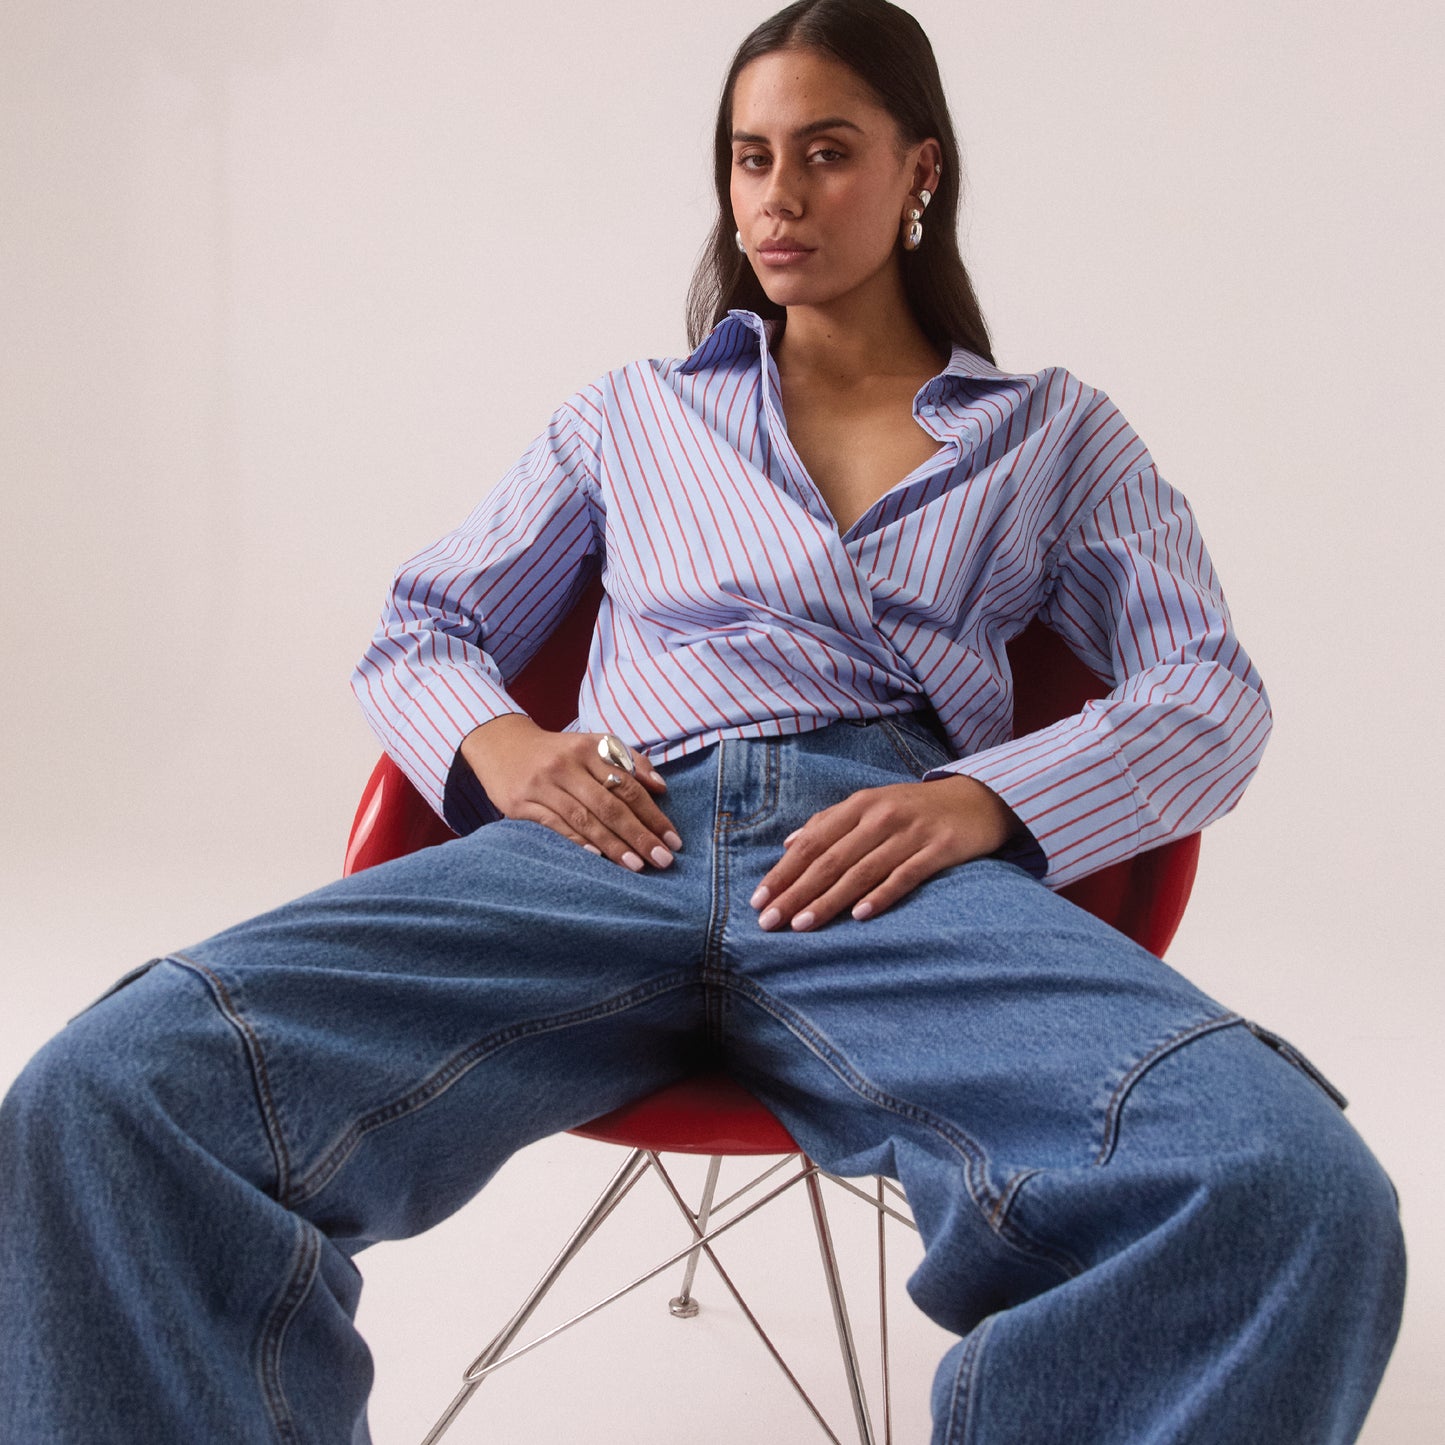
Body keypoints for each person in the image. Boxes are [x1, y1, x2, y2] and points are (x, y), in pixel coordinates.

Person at [0, 1, 1405, 1441]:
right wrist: (513, 755)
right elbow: (426, 626)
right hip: (606, 848)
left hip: (882, 875)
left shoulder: (1051, 430)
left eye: (827, 152)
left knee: (1286, 1183)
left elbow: (1203, 690)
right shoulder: (631, 414)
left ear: (920, 170)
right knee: (109, 1094)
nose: (778, 196)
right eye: (750, 156)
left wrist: (981, 802)